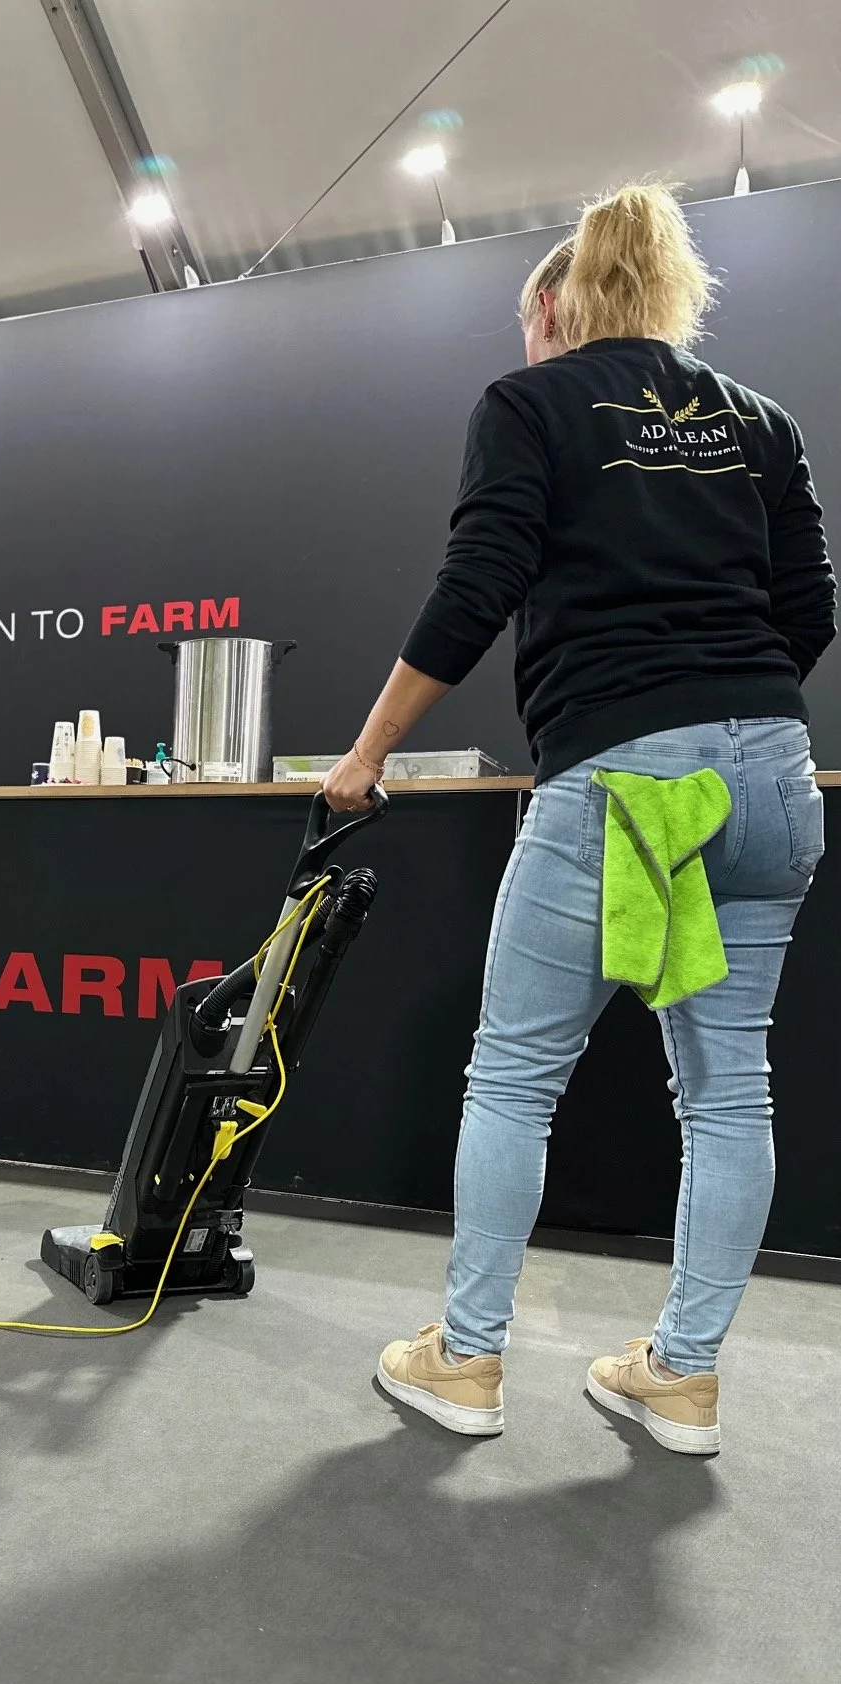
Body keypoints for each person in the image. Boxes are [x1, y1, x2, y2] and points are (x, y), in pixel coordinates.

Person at [323, 183, 835, 1456]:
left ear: (553, 305)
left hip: (630, 782)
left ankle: (467, 1361)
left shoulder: (530, 403)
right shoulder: (760, 422)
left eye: (524, 319)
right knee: (729, 1094)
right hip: (773, 777)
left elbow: (475, 590)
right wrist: (724, 712)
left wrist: (366, 755)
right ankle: (683, 1378)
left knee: (514, 1077)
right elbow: (810, 609)